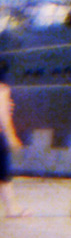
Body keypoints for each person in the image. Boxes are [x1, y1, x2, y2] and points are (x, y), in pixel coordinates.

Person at [0, 61, 27, 217]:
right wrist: (12, 137)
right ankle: (12, 208)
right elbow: (3, 115)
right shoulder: (2, 89)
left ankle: (12, 207)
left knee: (3, 175)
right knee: (4, 174)